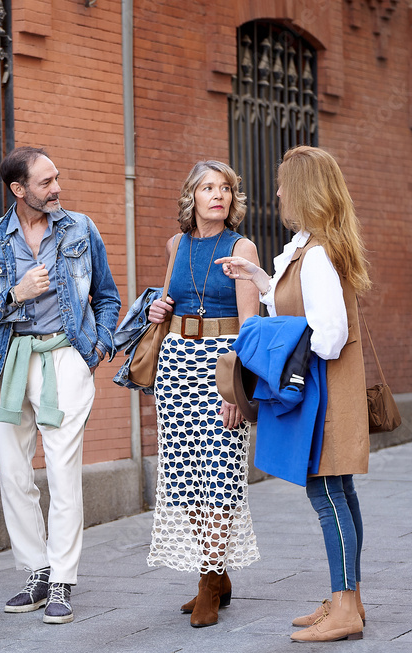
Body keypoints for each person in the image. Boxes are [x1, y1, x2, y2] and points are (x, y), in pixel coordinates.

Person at [217, 145, 371, 642]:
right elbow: (301, 300)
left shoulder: (319, 254)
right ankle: (348, 598)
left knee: (326, 495)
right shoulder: (314, 247)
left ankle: (345, 607)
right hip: (328, 391)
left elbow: (327, 336)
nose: (278, 191)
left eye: (284, 183)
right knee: (338, 494)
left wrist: (276, 334)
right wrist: (262, 280)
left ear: (303, 190)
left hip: (323, 395)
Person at [0, 147, 120, 625]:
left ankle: (62, 582)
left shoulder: (80, 228)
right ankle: (35, 571)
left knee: (62, 471)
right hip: (8, 362)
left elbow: (108, 295)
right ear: (19, 190)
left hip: (65, 359)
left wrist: (96, 348)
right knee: (15, 475)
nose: (57, 188)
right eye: (46, 181)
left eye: (57, 177)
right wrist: (15, 294)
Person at [145, 160, 262, 628]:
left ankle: (209, 581)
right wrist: (158, 308)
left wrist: (234, 391)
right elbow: (170, 299)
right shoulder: (177, 245)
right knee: (187, 477)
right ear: (191, 195)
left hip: (220, 365)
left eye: (226, 189)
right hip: (176, 363)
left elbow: (250, 329)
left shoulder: (241, 246)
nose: (218, 196)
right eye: (208, 187)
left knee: (219, 475)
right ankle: (216, 571)